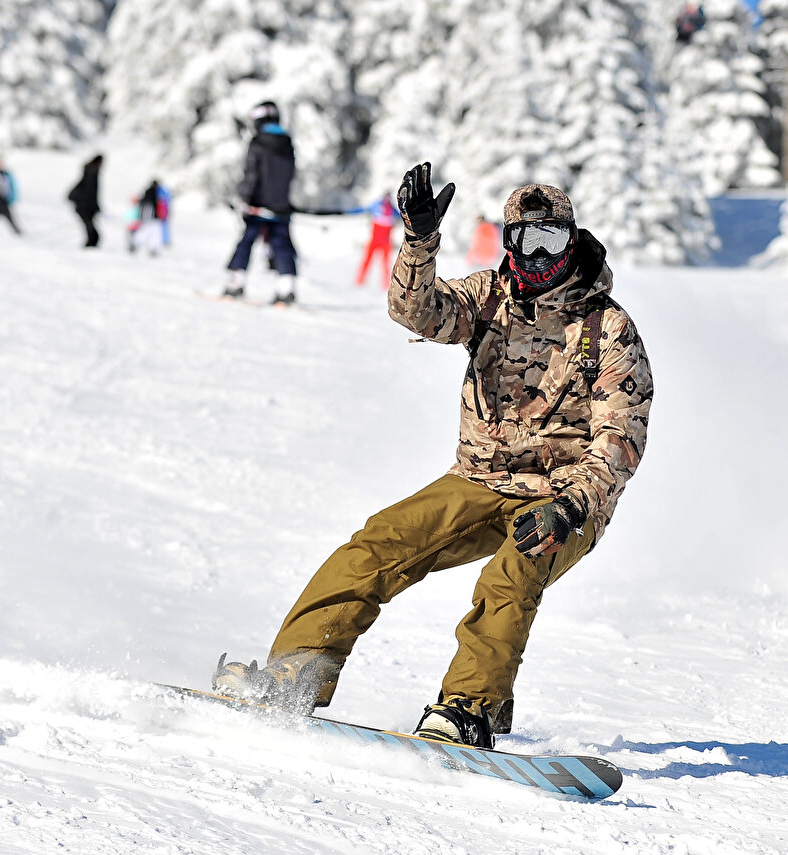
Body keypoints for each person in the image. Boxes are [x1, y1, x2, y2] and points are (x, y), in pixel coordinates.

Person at [213, 162, 654, 748]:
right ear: (510, 241)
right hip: (479, 477)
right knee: (378, 544)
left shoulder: (608, 329)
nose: (541, 255)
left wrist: (574, 505)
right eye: (528, 239)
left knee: (512, 574)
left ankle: (468, 709)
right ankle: (295, 674)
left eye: (553, 239)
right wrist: (419, 242)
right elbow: (415, 312)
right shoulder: (489, 298)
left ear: (572, 242)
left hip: (561, 498)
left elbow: (620, 436)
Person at [224, 101, 298, 304]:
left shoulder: (257, 142)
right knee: (282, 245)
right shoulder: (287, 142)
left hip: (257, 205)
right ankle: (287, 290)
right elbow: (290, 175)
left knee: (246, 242)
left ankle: (235, 284)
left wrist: (243, 198)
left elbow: (251, 174)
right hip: (281, 206)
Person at [351, 194, 397, 288]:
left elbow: (363, 209)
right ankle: (359, 282)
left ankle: (385, 285)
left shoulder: (390, 209)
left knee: (384, 265)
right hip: (378, 241)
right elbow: (362, 210)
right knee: (369, 262)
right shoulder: (379, 207)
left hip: (383, 242)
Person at [67, 154, 103, 248]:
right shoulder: (92, 173)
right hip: (85, 207)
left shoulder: (91, 172)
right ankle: (89, 249)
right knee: (93, 234)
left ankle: (89, 247)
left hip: (86, 207)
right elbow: (90, 193)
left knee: (93, 234)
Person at [133, 179, 166, 256]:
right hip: (152, 217)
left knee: (148, 232)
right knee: (152, 232)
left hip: (151, 217)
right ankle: (150, 248)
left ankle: (136, 244)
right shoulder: (155, 193)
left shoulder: (148, 192)